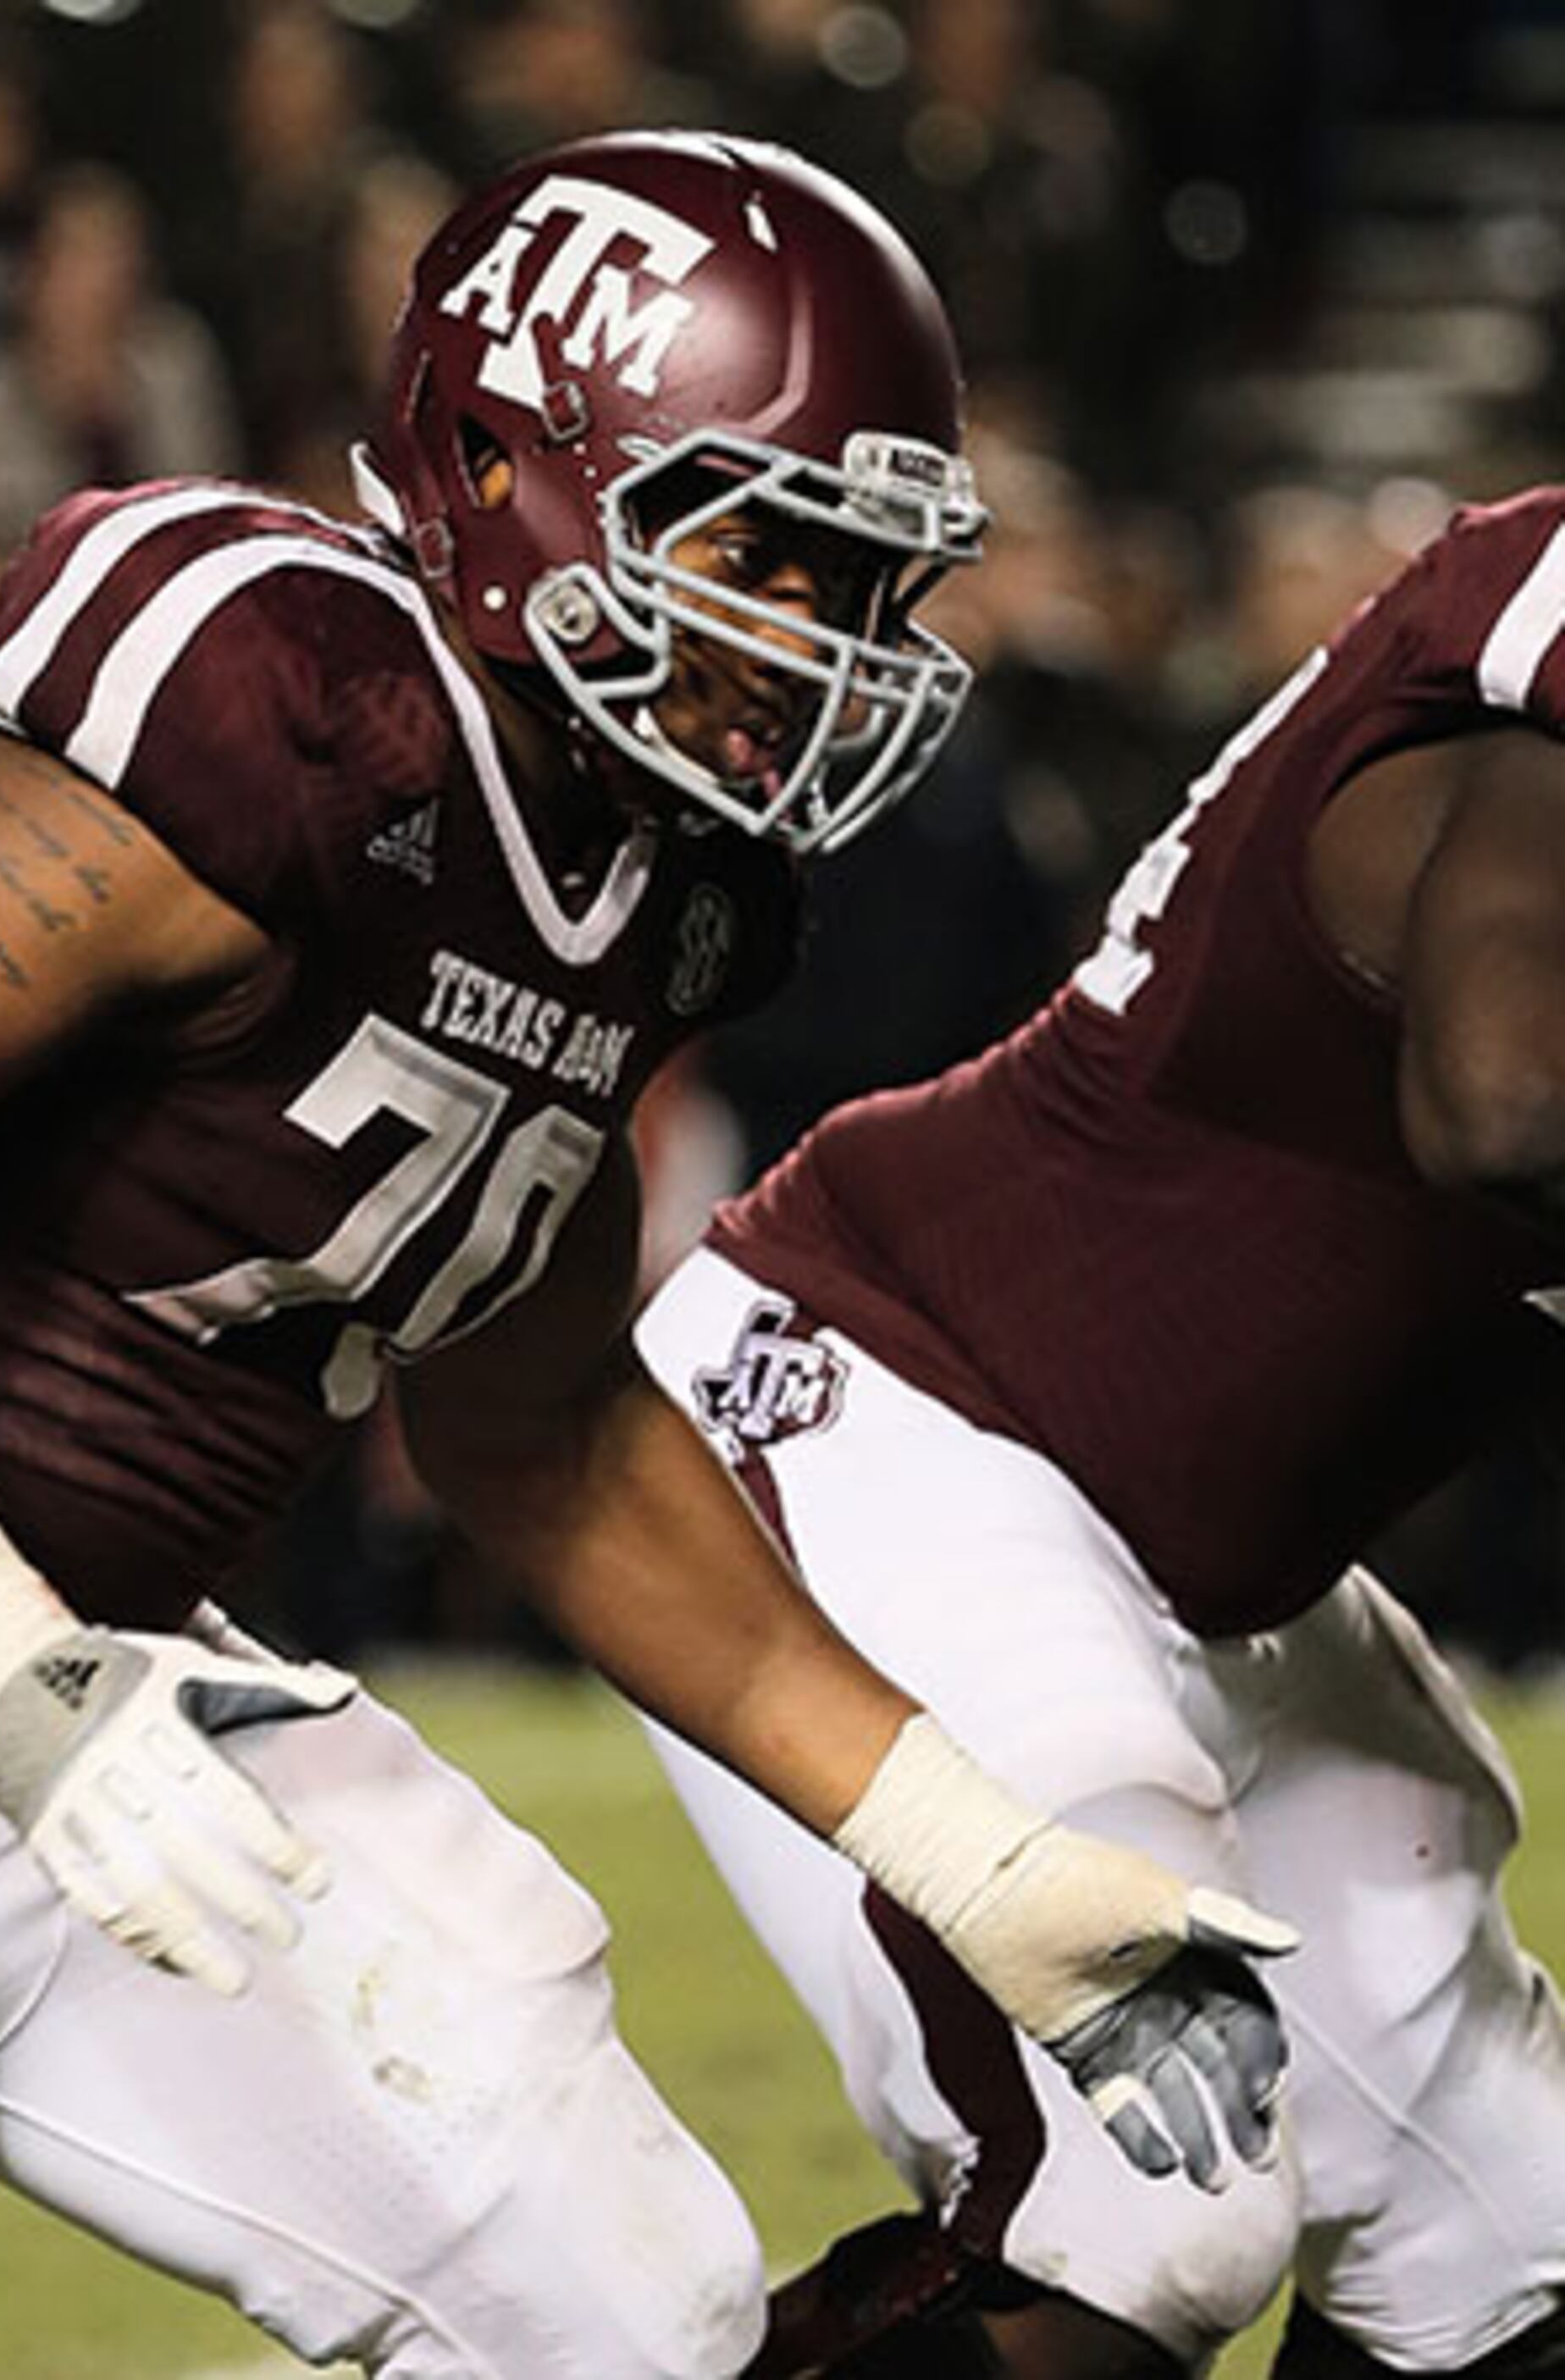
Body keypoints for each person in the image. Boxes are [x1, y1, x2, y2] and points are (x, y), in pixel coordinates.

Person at [0, 133, 1287, 2380]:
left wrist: (969, 1848)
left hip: (88, 1721)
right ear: (510, 469)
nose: (816, 650)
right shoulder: (282, 694)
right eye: (759, 553)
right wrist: (1, 1662)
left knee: (624, 2317)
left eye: (859, 585)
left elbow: (542, 1426)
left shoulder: (672, 883)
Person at [633, 483, 1565, 2372]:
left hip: (1204, 1553)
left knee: (1519, 2250)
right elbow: (1508, 1101)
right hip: (910, 1402)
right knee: (1138, 2206)